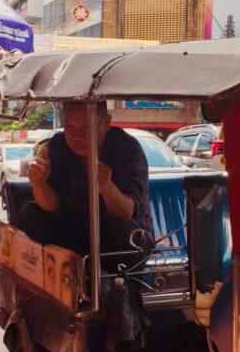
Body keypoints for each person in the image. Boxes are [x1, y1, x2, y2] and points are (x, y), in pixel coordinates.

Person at [20, 101, 152, 272]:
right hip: (73, 238)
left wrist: (107, 186)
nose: (77, 137)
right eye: (69, 127)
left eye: (85, 128)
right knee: (30, 213)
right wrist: (39, 183)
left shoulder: (126, 147)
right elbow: (52, 205)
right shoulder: (58, 145)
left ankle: (120, 293)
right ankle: (68, 277)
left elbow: (126, 212)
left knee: (124, 231)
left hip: (119, 240)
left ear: (106, 122)